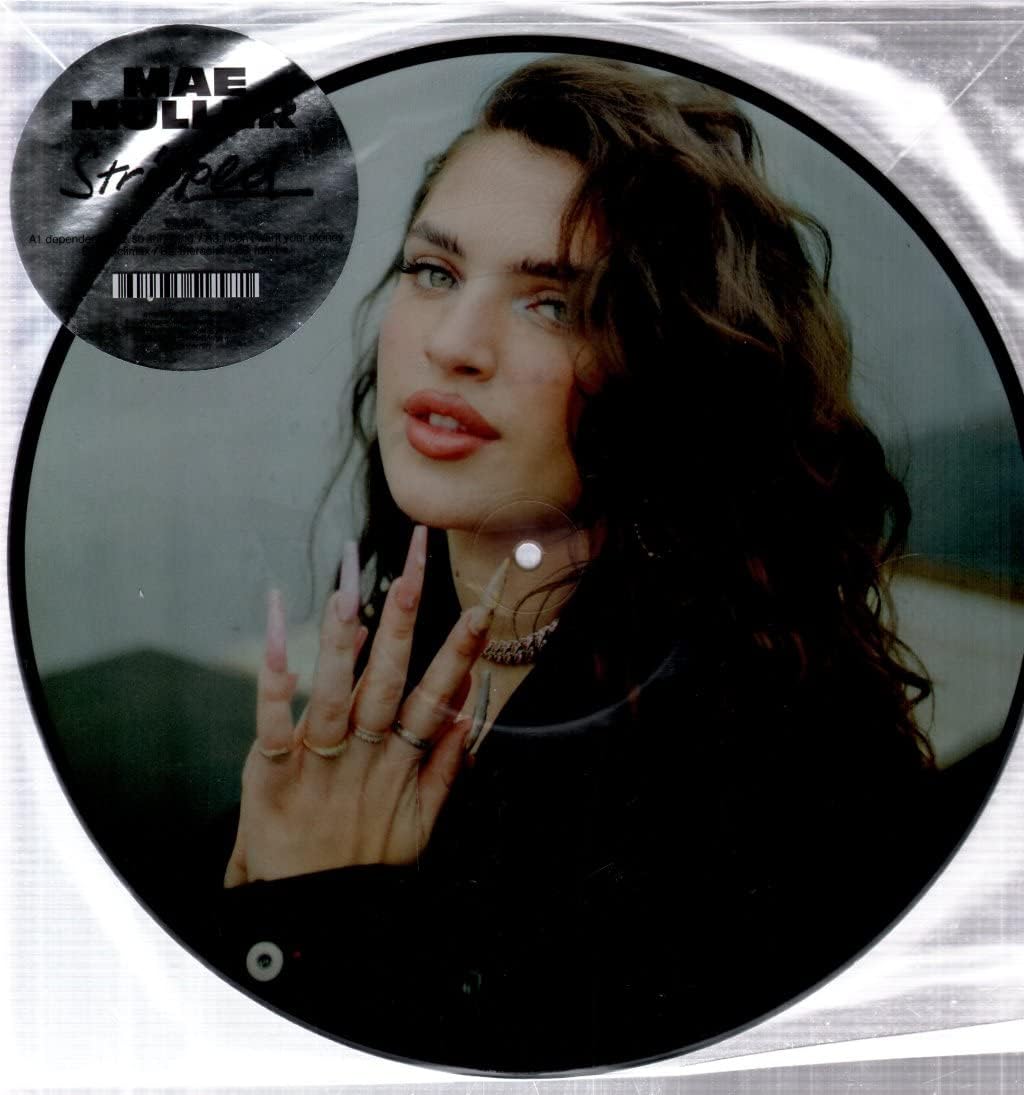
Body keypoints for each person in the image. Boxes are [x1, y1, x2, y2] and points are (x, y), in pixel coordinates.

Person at [186, 56, 959, 1072]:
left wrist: (302, 916)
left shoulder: (763, 765)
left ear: (669, 373)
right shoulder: (403, 630)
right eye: (434, 272)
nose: (454, 344)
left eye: (552, 304)